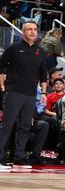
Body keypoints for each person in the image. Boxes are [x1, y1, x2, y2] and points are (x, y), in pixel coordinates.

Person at [0, 21, 49, 168]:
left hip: (31, 94)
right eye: (29, 29)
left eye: (35, 29)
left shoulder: (40, 51)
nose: (33, 32)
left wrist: (44, 93)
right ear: (23, 32)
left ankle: (19, 157)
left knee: (25, 126)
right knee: (7, 125)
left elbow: (43, 75)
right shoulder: (13, 48)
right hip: (14, 91)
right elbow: (1, 67)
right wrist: (2, 86)